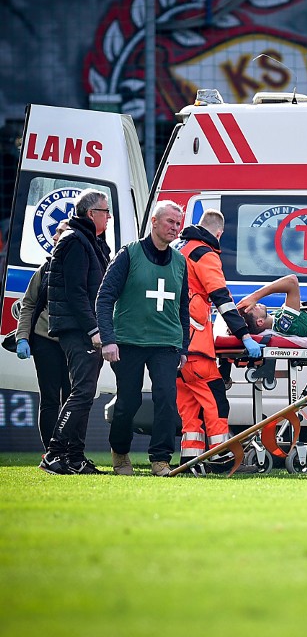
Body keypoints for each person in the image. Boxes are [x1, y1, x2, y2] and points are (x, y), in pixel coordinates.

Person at [97, 201, 190, 477]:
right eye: (170, 221)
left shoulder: (180, 262)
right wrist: (108, 338)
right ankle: (120, 452)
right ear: (154, 221)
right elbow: (104, 298)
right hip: (129, 341)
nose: (175, 227)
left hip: (166, 343)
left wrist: (183, 346)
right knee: (129, 401)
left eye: (178, 223)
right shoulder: (129, 254)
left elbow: (183, 307)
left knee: (166, 399)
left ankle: (160, 459)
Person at [172, 208, 263, 470]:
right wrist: (244, 336)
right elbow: (222, 298)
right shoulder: (205, 254)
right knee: (215, 401)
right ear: (219, 233)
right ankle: (220, 456)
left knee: (189, 407)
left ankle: (190, 460)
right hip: (195, 344)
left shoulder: (179, 249)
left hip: (173, 345)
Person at [39, 189, 111, 475]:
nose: (109, 217)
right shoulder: (75, 241)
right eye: (106, 212)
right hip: (79, 329)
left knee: (85, 392)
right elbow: (76, 292)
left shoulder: (90, 240)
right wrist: (94, 328)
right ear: (91, 214)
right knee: (82, 391)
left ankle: (75, 458)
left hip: (85, 327)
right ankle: (54, 454)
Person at [15, 219, 70, 449]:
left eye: (61, 232)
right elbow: (28, 304)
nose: (55, 237)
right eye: (56, 232)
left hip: (72, 342)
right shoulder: (44, 269)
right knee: (49, 399)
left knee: (72, 399)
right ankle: (50, 452)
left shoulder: (87, 266)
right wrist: (22, 338)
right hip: (45, 340)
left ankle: (70, 450)